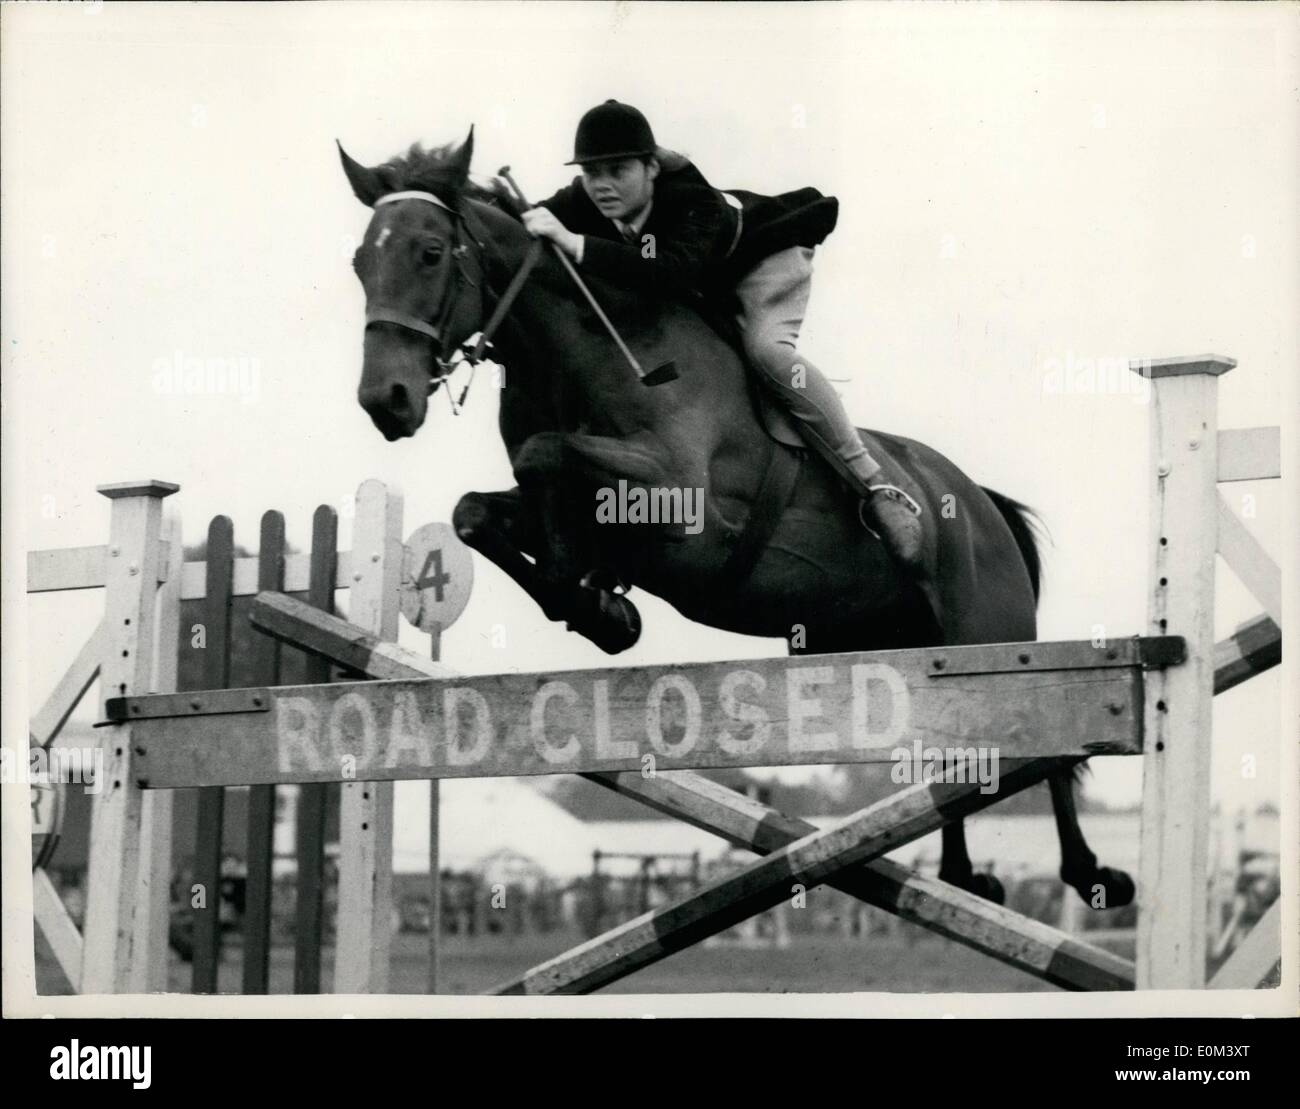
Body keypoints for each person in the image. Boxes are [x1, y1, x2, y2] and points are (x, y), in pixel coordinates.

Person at [522, 99, 924, 568]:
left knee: (767, 354)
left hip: (763, 263)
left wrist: (576, 243)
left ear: (651, 167)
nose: (603, 185)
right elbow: (518, 221)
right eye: (592, 173)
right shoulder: (585, 199)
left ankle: (876, 486)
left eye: (618, 170)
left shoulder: (692, 201)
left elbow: (666, 272)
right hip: (703, 285)